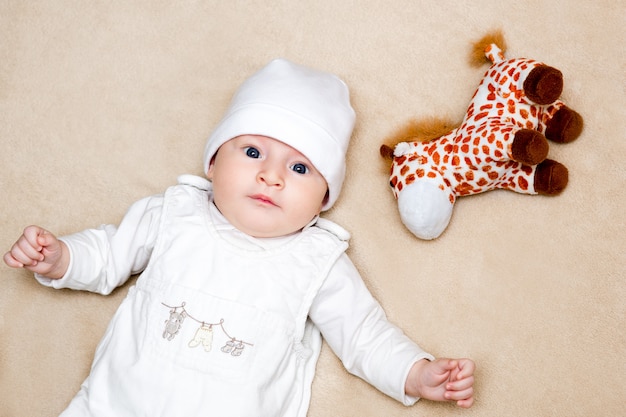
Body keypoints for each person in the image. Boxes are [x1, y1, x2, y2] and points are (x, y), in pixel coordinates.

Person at [4, 59, 475, 416]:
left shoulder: (317, 260)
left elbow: (363, 335)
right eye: (252, 151)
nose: (271, 177)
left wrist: (415, 373)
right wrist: (62, 256)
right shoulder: (175, 213)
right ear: (212, 163)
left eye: (299, 167)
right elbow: (108, 253)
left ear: (323, 197)